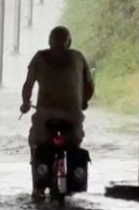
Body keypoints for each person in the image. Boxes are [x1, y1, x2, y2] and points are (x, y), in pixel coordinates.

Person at [20, 26, 95, 201]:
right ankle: (73, 175)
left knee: (36, 142)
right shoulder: (78, 57)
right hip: (72, 116)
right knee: (73, 145)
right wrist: (83, 102)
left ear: (50, 41)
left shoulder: (40, 57)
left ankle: (37, 188)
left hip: (46, 116)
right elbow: (89, 86)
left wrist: (25, 103)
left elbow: (28, 85)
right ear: (69, 42)